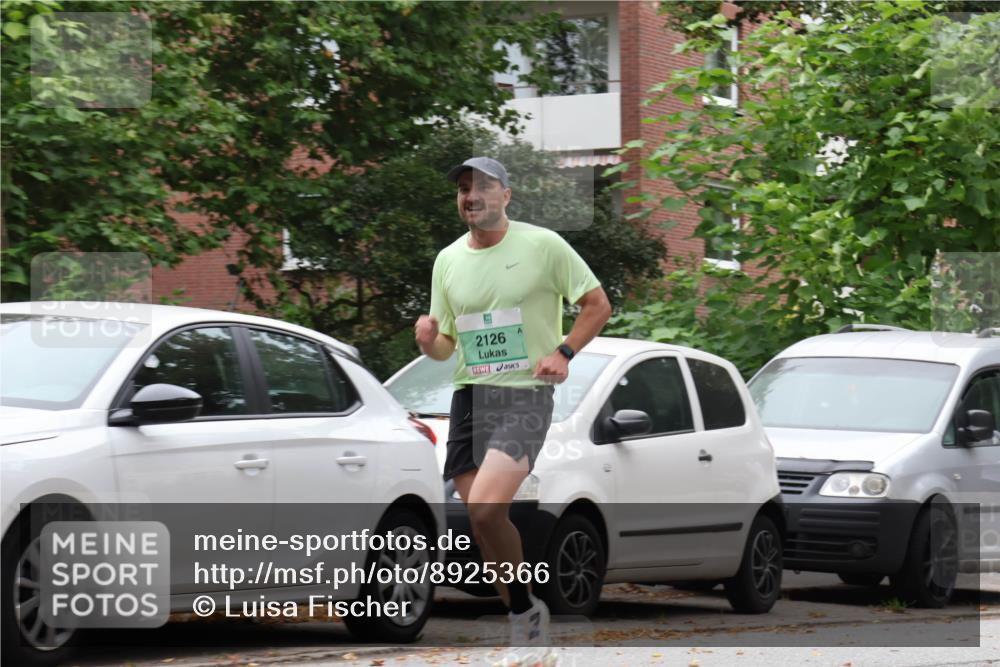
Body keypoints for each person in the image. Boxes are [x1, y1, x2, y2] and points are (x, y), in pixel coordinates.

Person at [414, 157, 611, 667]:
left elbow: (596, 304)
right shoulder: (447, 260)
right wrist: (430, 342)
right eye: (462, 189)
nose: (470, 196)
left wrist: (563, 353)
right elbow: (447, 346)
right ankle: (526, 622)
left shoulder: (543, 245)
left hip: (524, 393)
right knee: (484, 523)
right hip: (470, 397)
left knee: (484, 508)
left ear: (506, 195)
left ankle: (525, 620)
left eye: (481, 187)